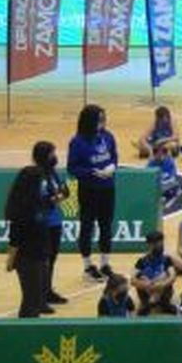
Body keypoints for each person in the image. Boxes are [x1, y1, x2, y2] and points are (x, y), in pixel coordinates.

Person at [3, 141, 64, 318]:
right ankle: (25, 328)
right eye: (41, 185)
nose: (44, 187)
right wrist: (10, 260)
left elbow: (55, 197)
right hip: (27, 258)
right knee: (31, 301)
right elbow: (14, 238)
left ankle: (33, 321)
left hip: (40, 255)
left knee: (36, 299)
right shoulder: (22, 213)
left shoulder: (40, 207)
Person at [67, 104, 119, 281]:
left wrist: (112, 167)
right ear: (90, 121)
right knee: (87, 227)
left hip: (108, 188)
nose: (103, 122)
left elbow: (114, 156)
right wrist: (91, 172)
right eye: (99, 119)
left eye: (104, 119)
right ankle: (88, 266)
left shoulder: (108, 136)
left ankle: (105, 264)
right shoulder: (78, 142)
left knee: (106, 226)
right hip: (89, 190)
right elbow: (72, 168)